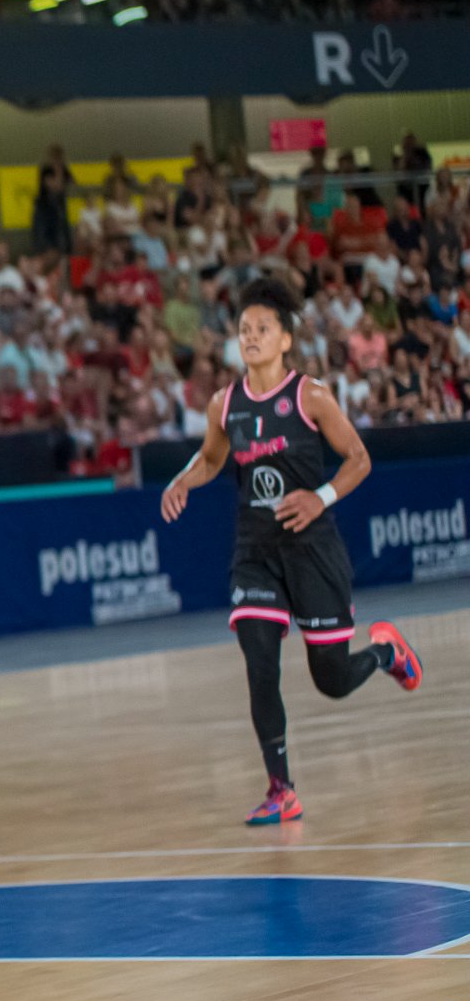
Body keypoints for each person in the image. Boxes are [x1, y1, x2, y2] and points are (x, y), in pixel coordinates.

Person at [160, 277, 422, 826]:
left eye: (262, 330)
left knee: (330, 679)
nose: (250, 338)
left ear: (285, 340)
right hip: (255, 550)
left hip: (312, 549)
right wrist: (184, 478)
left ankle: (384, 654)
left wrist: (319, 497)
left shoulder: (311, 396)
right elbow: (211, 460)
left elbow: (358, 458)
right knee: (260, 663)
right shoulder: (223, 404)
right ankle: (281, 789)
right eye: (243, 330)